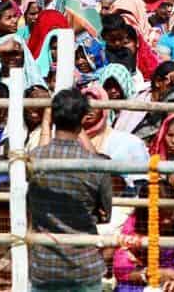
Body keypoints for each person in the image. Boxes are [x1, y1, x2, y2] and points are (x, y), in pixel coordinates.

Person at [27, 88, 111, 292]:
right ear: (83, 119)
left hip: (44, 267)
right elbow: (106, 213)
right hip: (85, 267)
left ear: (52, 116)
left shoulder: (33, 159)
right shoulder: (95, 165)